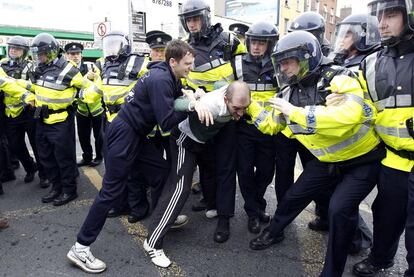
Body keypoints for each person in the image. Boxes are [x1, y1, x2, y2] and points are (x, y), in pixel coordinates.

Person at [247, 30, 384, 277]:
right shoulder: (289, 92)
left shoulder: (339, 78)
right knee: (292, 197)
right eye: (281, 63)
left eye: (289, 62)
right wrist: (249, 105)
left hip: (362, 160)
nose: (284, 68)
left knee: (339, 209)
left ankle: (332, 270)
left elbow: (349, 115)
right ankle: (274, 232)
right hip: (328, 161)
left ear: (306, 57)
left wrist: (295, 112)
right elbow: (271, 125)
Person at [67, 39, 195, 273]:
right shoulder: (160, 79)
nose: (190, 68)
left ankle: (161, 218)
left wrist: (191, 95)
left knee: (161, 173)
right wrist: (192, 106)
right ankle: (80, 247)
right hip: (124, 133)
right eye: (187, 63)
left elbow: (179, 95)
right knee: (111, 192)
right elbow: (166, 122)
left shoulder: (169, 75)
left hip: (136, 134)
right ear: (173, 61)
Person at [144, 80, 251, 267]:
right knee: (180, 189)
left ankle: (173, 218)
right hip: (185, 140)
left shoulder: (233, 95)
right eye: (236, 108)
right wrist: (195, 103)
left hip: (203, 141)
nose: (240, 113)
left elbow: (221, 84)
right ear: (226, 99)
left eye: (244, 108)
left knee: (206, 175)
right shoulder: (211, 105)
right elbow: (176, 104)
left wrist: (201, 92)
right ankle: (152, 242)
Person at [350, 0, 414, 276]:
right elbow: (361, 103)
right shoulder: (372, 62)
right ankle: (380, 259)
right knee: (386, 217)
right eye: (380, 16)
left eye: (391, 15)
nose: (382, 23)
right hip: (393, 161)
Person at [179, 0, 246, 243]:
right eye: (188, 20)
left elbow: (243, 72)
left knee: (226, 167)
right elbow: (183, 81)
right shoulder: (185, 47)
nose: (192, 23)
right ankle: (209, 199)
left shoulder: (229, 42)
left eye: (196, 18)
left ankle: (224, 218)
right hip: (202, 115)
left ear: (205, 18)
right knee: (206, 163)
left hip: (226, 116)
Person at [86, 31, 151, 223]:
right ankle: (120, 203)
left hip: (129, 122)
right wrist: (83, 93)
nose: (112, 49)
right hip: (110, 122)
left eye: (116, 44)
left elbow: (152, 82)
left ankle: (139, 207)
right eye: (109, 45)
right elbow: (96, 90)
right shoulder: (105, 66)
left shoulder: (139, 62)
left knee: (132, 168)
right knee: (113, 167)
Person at [29, 33, 99, 206]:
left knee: (63, 157)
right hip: (41, 120)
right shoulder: (39, 68)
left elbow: (88, 87)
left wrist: (79, 97)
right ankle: (56, 187)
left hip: (61, 121)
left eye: (42, 53)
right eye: (37, 54)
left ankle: (69, 190)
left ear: (52, 52)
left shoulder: (68, 69)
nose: (40, 57)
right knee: (46, 157)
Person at [234, 21, 279, 234]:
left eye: (262, 43)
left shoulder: (279, 64)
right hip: (244, 129)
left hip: (268, 130)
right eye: (253, 42)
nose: (256, 47)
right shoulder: (237, 64)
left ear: (269, 45)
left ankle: (258, 204)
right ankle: (253, 213)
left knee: (266, 171)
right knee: (244, 171)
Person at [64, 42, 104, 168]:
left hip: (97, 109)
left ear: (81, 55)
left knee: (99, 136)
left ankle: (99, 157)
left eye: (77, 54)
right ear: (67, 55)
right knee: (83, 137)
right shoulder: (65, 70)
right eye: (72, 54)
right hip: (81, 110)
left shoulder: (91, 67)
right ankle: (87, 157)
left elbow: (99, 83)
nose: (75, 56)